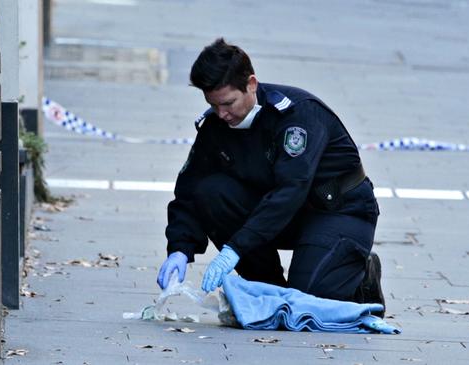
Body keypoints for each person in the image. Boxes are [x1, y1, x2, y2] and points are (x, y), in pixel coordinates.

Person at [157, 38, 385, 316]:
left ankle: (361, 277)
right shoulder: (216, 125)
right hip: (283, 215)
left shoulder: (298, 116)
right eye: (213, 105)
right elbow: (190, 189)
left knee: (305, 305)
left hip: (339, 212)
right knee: (212, 192)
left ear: (251, 84)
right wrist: (179, 248)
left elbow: (290, 191)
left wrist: (234, 249)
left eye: (228, 103)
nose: (222, 114)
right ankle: (268, 285)